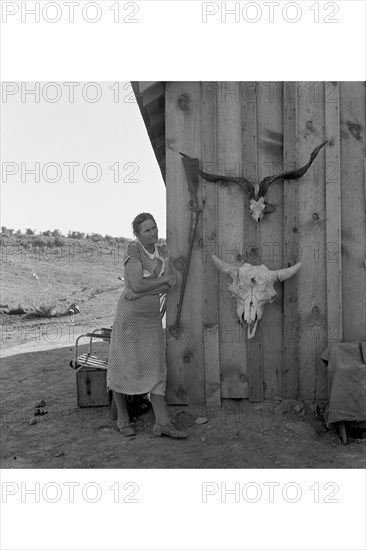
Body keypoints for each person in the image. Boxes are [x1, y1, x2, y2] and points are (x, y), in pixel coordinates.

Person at [107, 213, 188, 438]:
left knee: (156, 366)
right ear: (137, 234)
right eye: (147, 230)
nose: (153, 233)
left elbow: (148, 288)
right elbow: (136, 284)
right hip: (130, 316)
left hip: (152, 317)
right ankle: (122, 419)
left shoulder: (162, 252)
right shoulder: (134, 251)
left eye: (154, 228)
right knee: (124, 363)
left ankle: (162, 423)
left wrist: (152, 287)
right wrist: (162, 281)